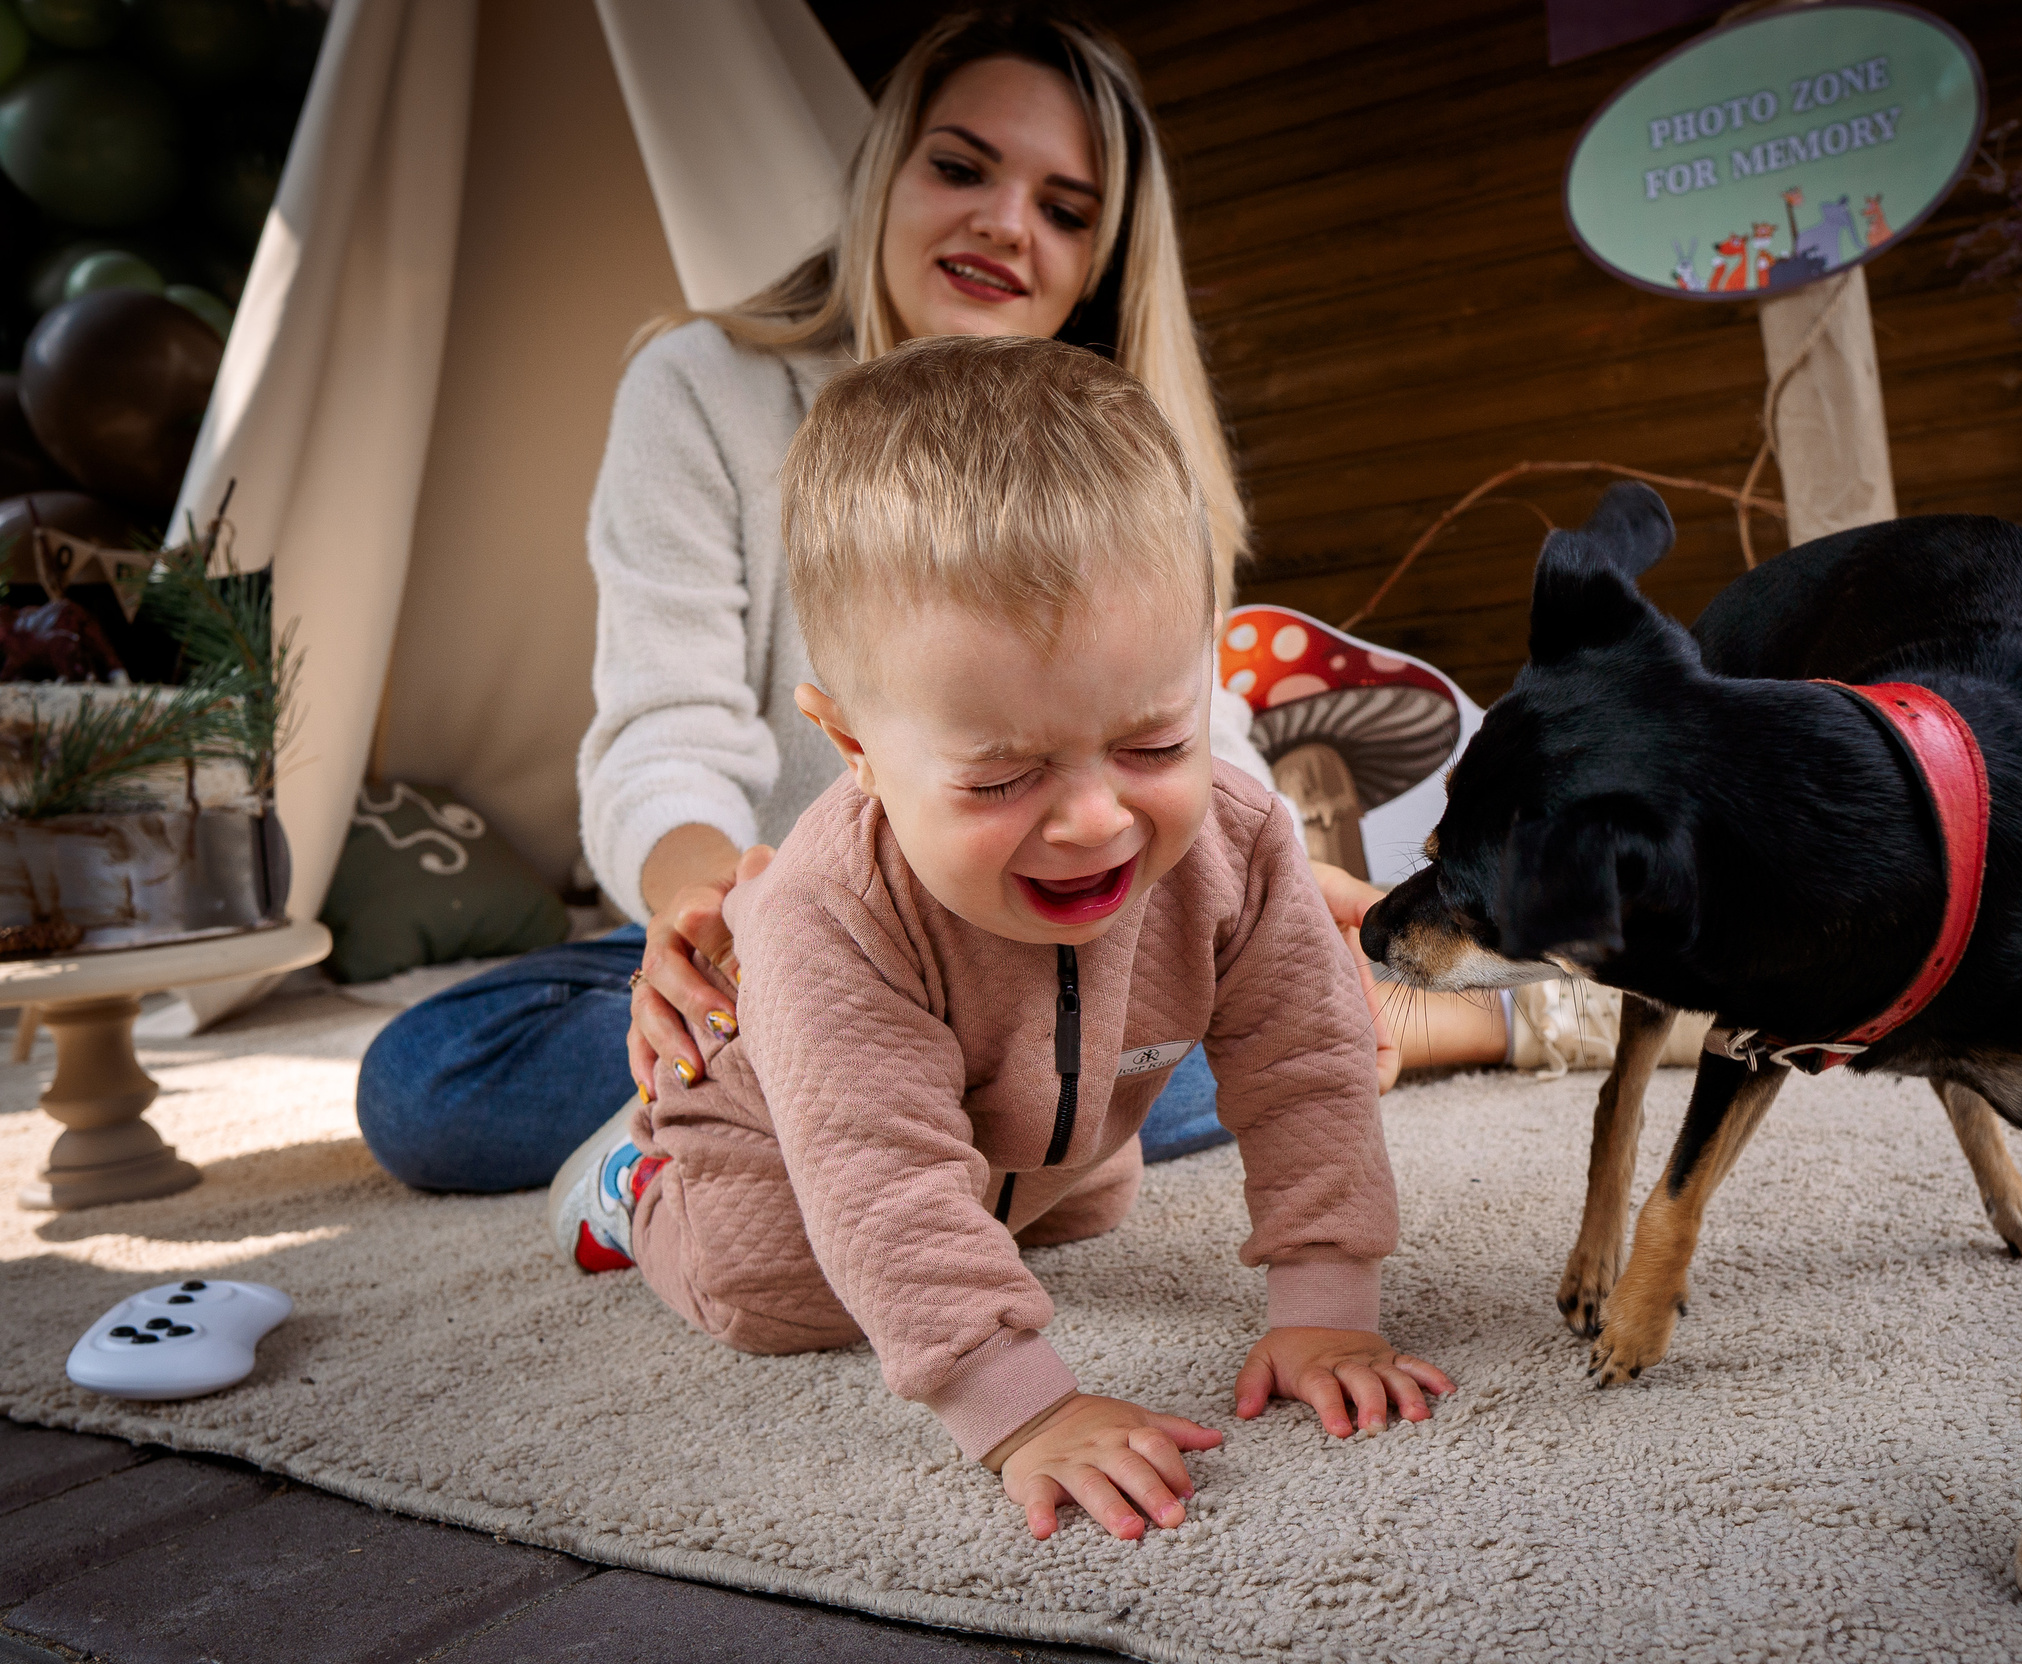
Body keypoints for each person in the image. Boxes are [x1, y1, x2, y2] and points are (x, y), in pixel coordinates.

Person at [356, 7, 1505, 1195]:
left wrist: (1278, 911)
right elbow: (666, 725)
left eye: (1066, 211)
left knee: (1192, 1017)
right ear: (881, 179)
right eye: (961, 169)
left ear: (1101, 265)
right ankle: (959, 1095)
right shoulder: (701, 387)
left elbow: (1191, 737)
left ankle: (1426, 1024)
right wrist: (711, 915)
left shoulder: (1120, 445)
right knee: (428, 1079)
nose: (1006, 223)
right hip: (791, 932)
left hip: (1060, 932)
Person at [554, 335, 1453, 1539]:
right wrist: (1022, 1411)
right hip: (783, 1151)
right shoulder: (829, 910)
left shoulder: (1239, 841)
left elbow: (1306, 1066)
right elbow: (881, 1184)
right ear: (856, 747)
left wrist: (1328, 1305)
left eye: (1153, 745)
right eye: (1001, 778)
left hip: (1040, 1140)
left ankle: (1018, 1180)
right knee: (787, 1294)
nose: (1095, 820)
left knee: (1089, 1204)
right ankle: (635, 1188)